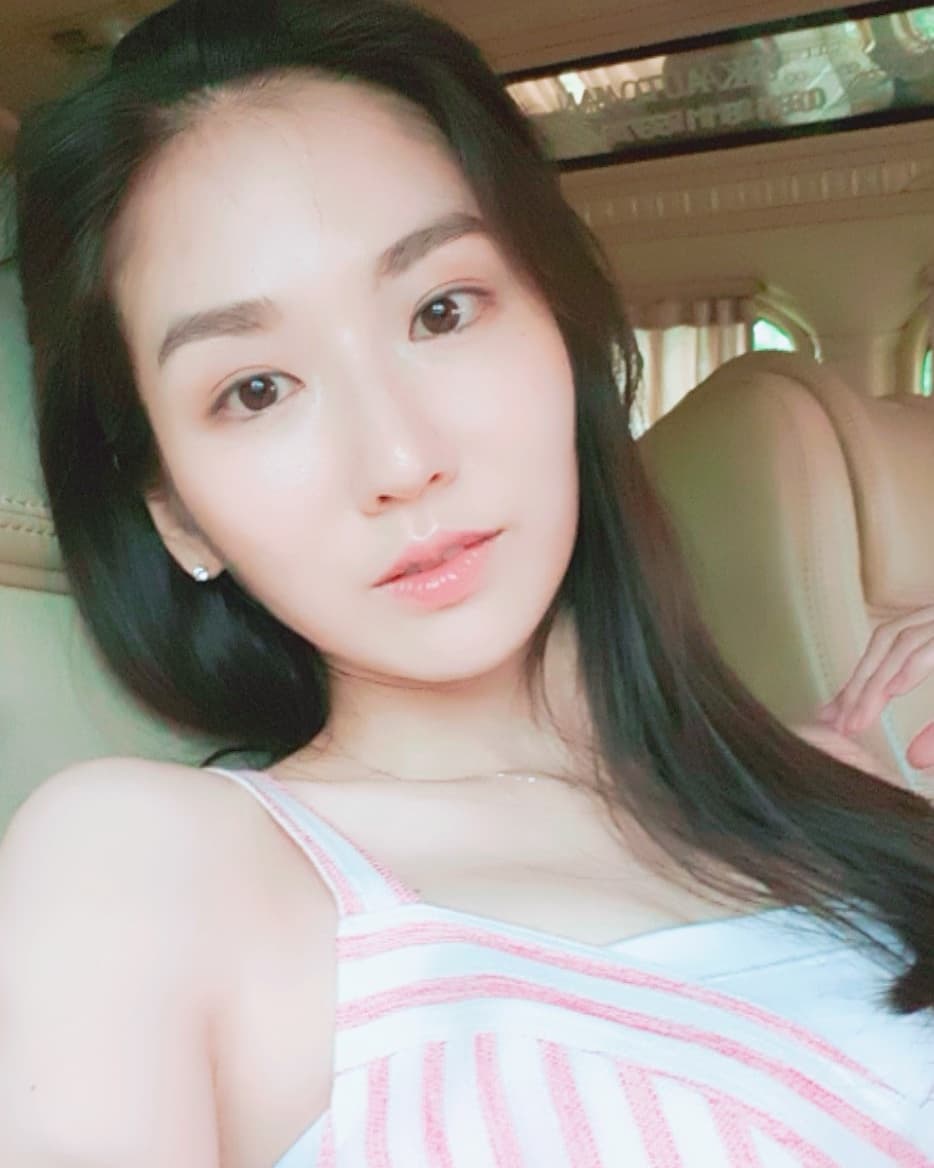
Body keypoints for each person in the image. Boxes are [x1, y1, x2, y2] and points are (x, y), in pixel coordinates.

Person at [0, 2, 932, 1164]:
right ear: (178, 512)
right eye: (255, 389)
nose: (400, 460)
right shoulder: (145, 867)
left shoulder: (843, 790)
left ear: (565, 338)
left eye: (440, 311)